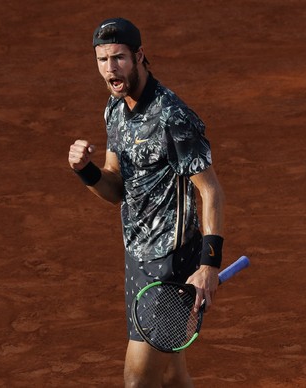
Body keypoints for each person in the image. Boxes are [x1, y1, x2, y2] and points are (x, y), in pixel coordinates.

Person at [68, 18, 225, 387]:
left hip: (171, 264)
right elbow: (117, 189)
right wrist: (86, 170)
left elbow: (211, 190)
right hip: (137, 259)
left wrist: (209, 265)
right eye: (103, 59)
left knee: (137, 380)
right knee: (171, 373)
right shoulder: (115, 109)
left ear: (139, 56)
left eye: (119, 58)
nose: (111, 68)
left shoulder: (173, 118)